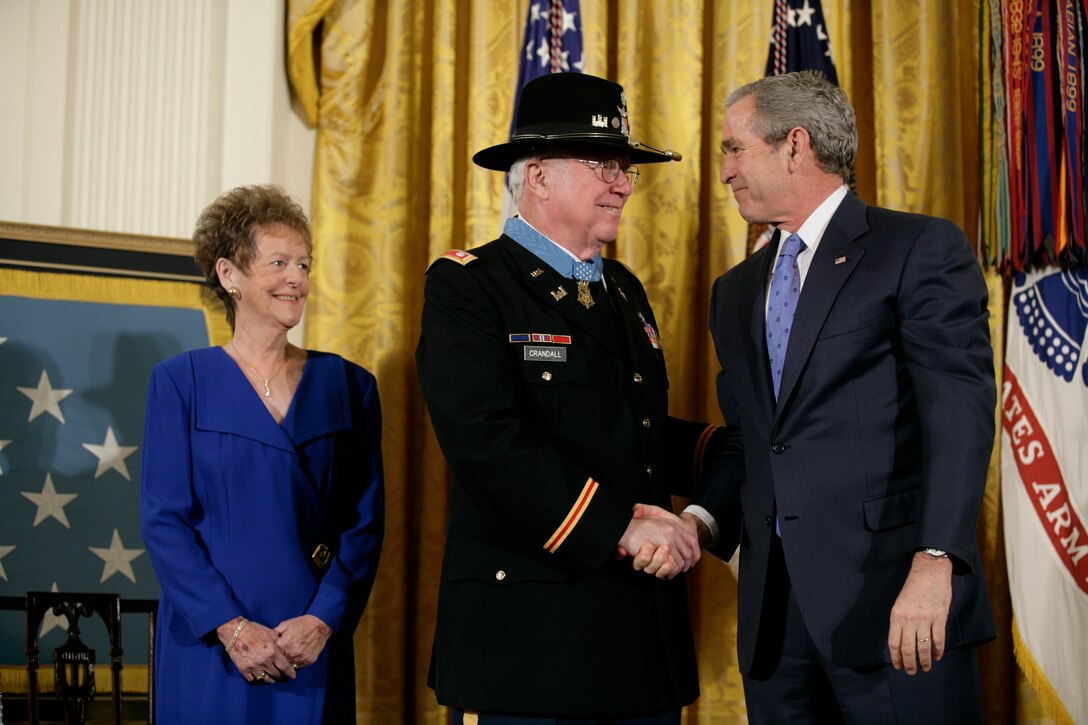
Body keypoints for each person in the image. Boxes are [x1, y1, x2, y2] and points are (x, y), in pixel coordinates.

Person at [662, 70, 996, 723]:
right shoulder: (733, 292)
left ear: (795, 144)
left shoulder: (915, 248)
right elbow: (755, 443)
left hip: (896, 608)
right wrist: (697, 517)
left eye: (735, 148)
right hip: (774, 626)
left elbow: (956, 415)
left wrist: (936, 564)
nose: (724, 171)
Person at [416, 72, 721, 725]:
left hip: (638, 644)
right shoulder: (471, 287)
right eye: (600, 164)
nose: (622, 183)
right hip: (530, 647)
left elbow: (624, 428)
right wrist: (621, 524)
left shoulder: (625, 290)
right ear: (537, 177)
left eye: (625, 168)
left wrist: (720, 457)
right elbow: (486, 444)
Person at [140, 185, 384, 724]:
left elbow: (364, 523)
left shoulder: (350, 386)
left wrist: (324, 618)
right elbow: (163, 521)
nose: (296, 278)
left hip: (308, 641)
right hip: (213, 640)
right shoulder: (181, 382)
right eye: (278, 262)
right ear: (229, 275)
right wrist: (230, 626)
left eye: (304, 263)